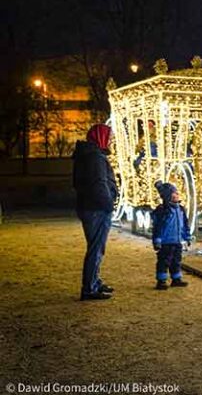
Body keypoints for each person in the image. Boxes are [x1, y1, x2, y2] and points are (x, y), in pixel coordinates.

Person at [73, 124, 118, 301]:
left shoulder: (87, 156)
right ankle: (89, 287)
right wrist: (108, 204)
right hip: (97, 208)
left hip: (90, 207)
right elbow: (100, 184)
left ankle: (94, 282)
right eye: (110, 137)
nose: (111, 141)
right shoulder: (95, 158)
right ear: (101, 137)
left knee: (97, 247)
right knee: (96, 248)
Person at [151, 181, 191, 290]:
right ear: (168, 196)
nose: (177, 195)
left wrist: (187, 237)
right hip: (165, 242)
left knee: (176, 261)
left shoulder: (181, 209)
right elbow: (158, 227)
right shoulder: (163, 210)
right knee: (164, 261)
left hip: (177, 241)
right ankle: (161, 281)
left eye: (177, 193)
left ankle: (176, 279)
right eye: (174, 193)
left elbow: (184, 224)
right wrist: (157, 240)